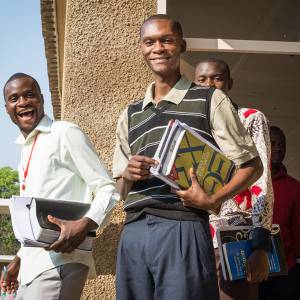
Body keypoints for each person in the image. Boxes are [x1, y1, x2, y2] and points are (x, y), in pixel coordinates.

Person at [113, 15, 263, 300]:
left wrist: (214, 199)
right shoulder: (130, 114)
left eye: (166, 40)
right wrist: (127, 175)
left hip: (182, 226)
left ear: (181, 45)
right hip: (133, 231)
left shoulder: (209, 99)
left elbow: (252, 165)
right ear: (141, 49)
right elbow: (120, 191)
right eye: (149, 42)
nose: (158, 48)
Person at [0, 73, 119, 300]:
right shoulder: (25, 149)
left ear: (41, 99)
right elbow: (36, 220)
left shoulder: (64, 133)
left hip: (61, 261)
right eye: (14, 99)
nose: (23, 102)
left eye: (29, 95)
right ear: (7, 109)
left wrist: (83, 225)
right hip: (32, 267)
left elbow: (107, 188)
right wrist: (18, 259)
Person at [191, 58, 274, 300]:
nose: (210, 85)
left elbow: (262, 181)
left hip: (236, 240)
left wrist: (260, 243)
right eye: (202, 80)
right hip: (194, 239)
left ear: (229, 83)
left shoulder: (249, 118)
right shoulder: (191, 126)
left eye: (217, 78)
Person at [259, 126, 300, 300]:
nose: (278, 148)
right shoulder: (250, 182)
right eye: (273, 143)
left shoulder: (295, 188)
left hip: (287, 272)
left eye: (282, 145)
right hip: (254, 269)